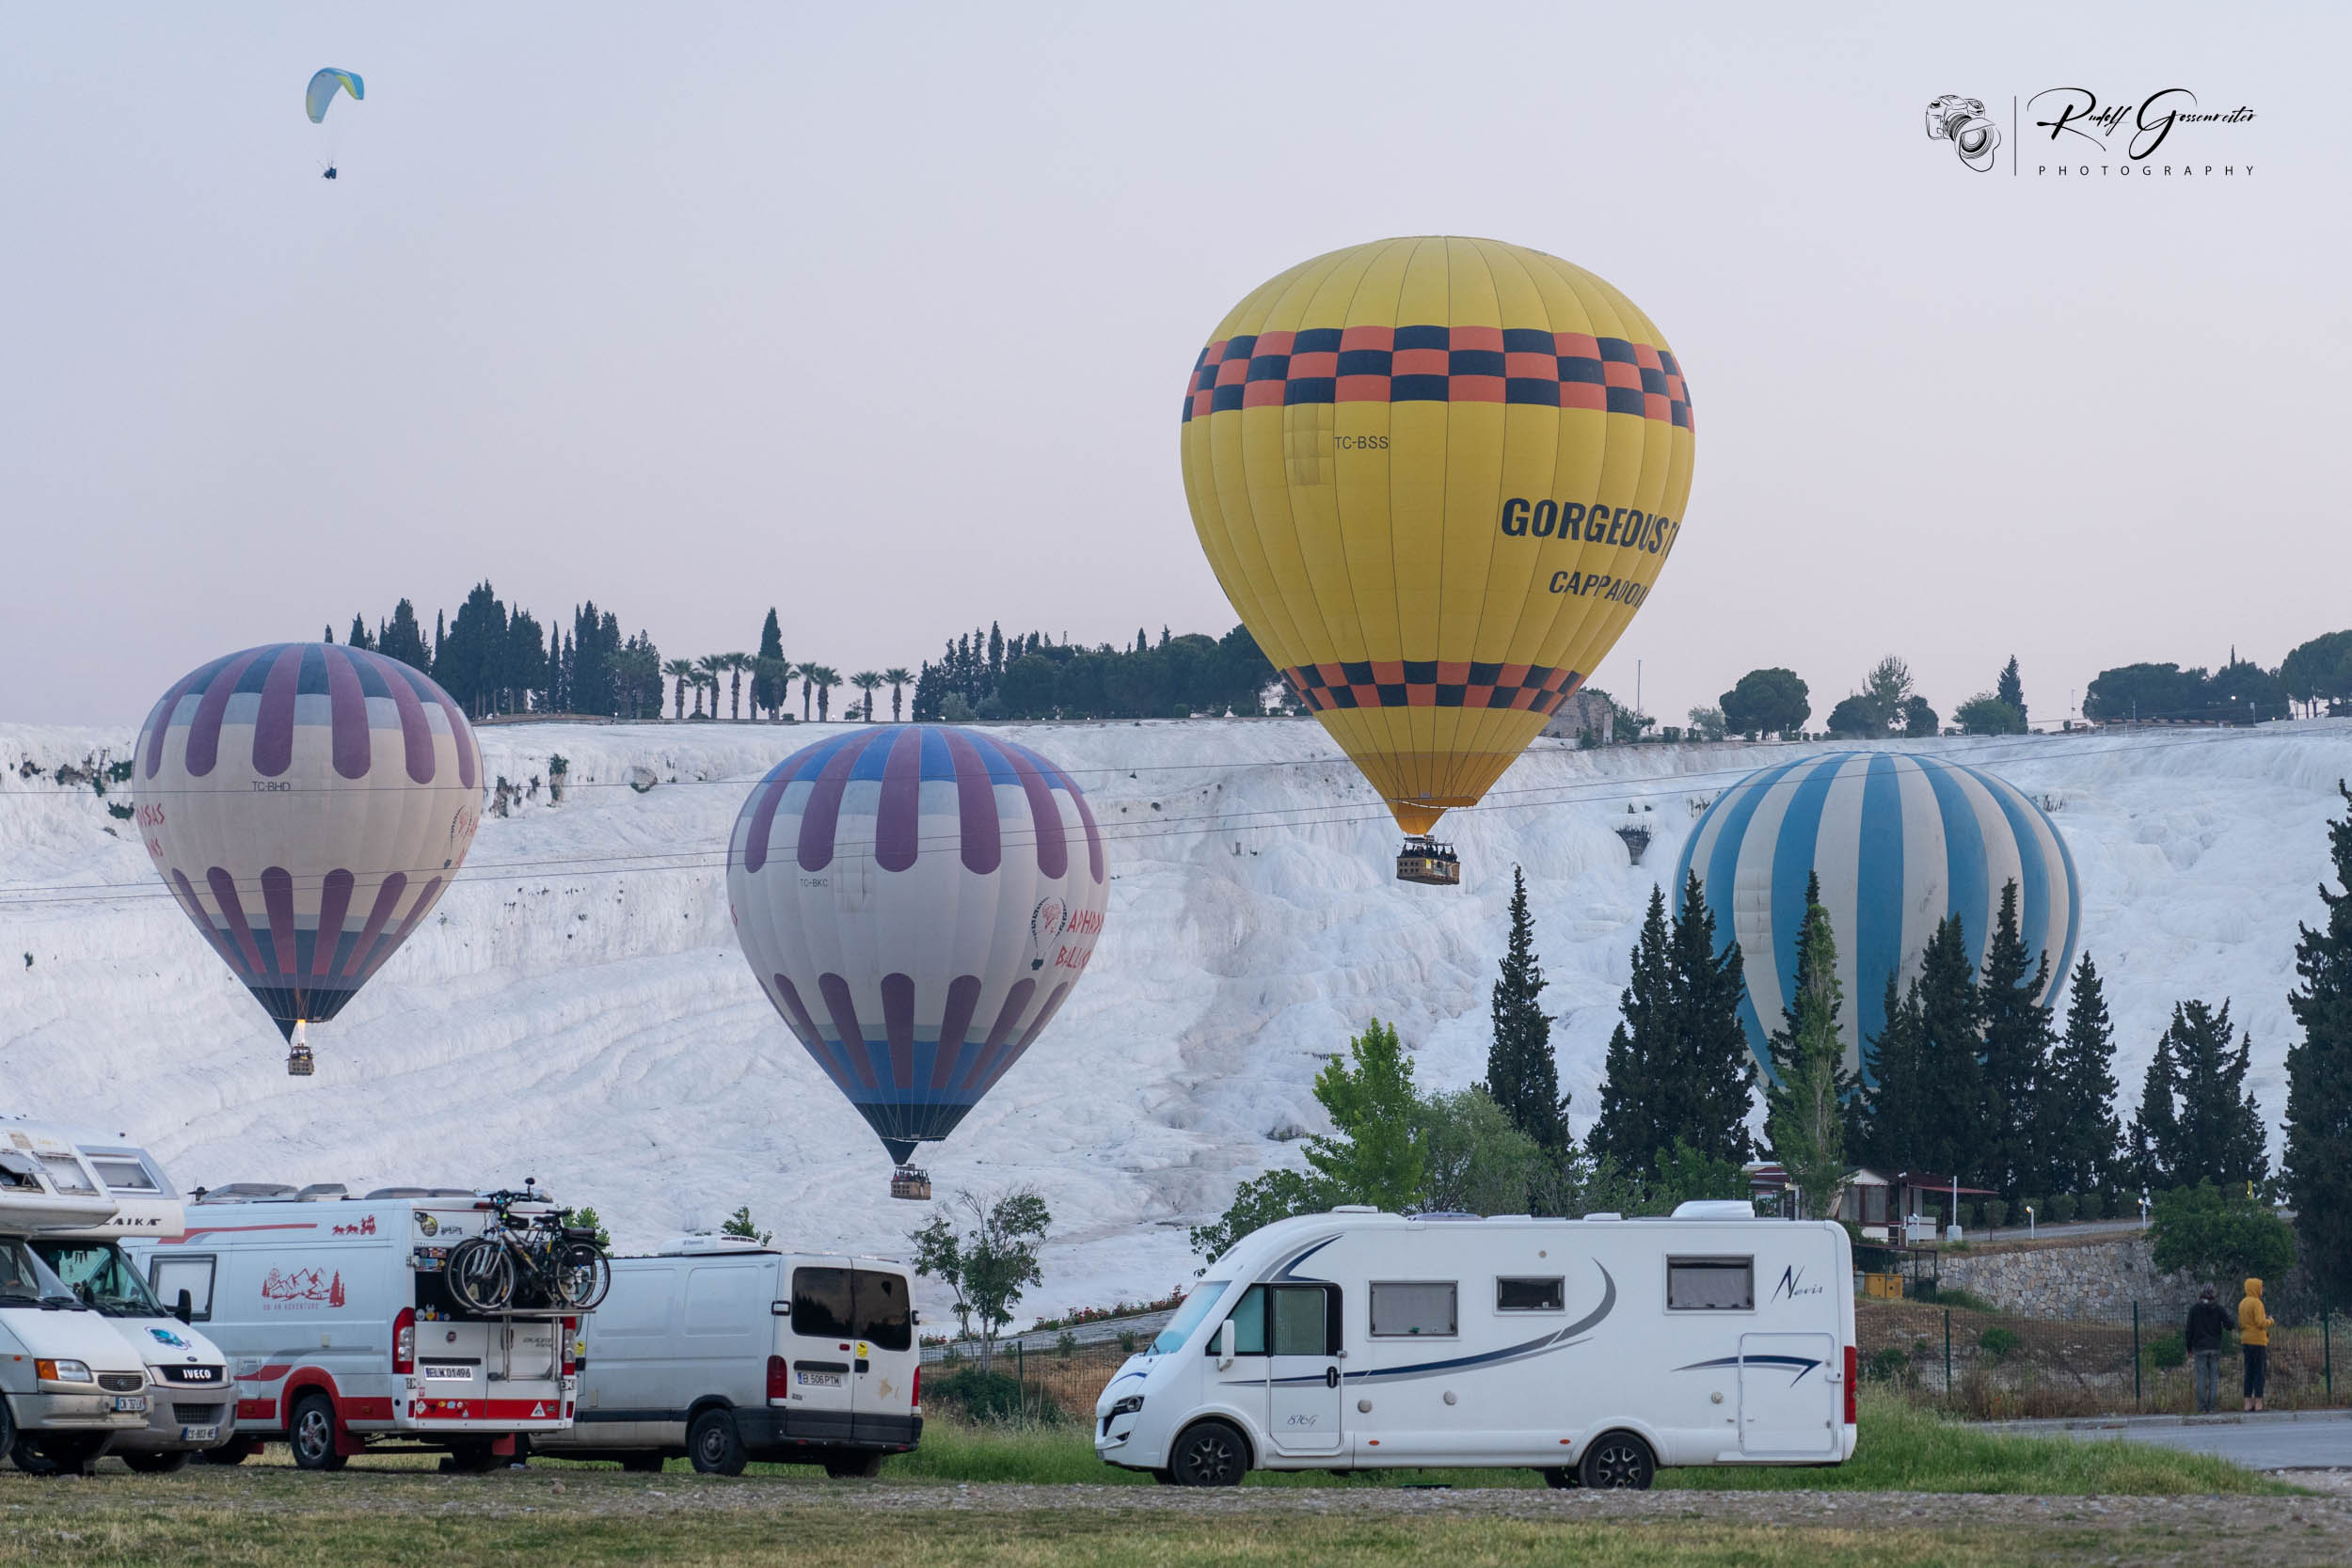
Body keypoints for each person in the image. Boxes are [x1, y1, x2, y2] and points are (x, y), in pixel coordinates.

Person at [2185, 1285, 2235, 1414]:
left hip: (2199, 1348)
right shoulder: (2218, 1308)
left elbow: (2189, 1330)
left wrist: (2189, 1348)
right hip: (2214, 1347)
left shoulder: (2194, 1309)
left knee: (2201, 1378)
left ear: (2200, 1294)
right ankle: (2212, 1407)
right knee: (2213, 1378)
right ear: (2214, 1295)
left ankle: (2201, 1408)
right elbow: (2229, 1325)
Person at [2238, 1277, 2271, 1412]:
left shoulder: (2242, 1303)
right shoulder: (2257, 1303)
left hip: (2246, 1340)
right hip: (2258, 1341)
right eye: (2261, 1287)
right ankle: (2258, 1403)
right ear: (2256, 1288)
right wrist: (2270, 1321)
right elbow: (2260, 1323)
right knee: (2259, 1372)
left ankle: (2247, 1403)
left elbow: (2240, 1323)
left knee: (2249, 1371)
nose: (2262, 1290)